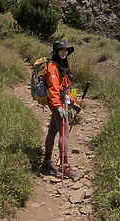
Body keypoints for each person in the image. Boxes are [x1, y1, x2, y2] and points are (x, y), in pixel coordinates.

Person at [40, 40, 81, 180]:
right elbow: (53, 89)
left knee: (53, 130)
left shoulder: (63, 66)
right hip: (57, 103)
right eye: (61, 50)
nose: (64, 52)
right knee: (65, 132)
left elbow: (67, 88)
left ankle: (47, 162)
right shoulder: (52, 66)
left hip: (62, 102)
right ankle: (64, 166)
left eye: (65, 50)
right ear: (56, 52)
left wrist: (74, 103)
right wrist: (58, 106)